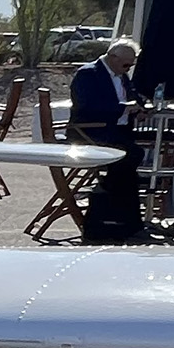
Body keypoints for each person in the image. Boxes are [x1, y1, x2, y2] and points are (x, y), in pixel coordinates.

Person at [67, 36, 147, 244]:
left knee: (131, 163)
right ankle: (119, 216)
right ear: (112, 57)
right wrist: (122, 108)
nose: (128, 68)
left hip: (116, 131)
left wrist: (139, 107)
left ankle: (123, 220)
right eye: (126, 64)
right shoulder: (88, 74)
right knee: (129, 159)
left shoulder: (121, 74)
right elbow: (86, 107)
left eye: (131, 65)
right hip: (90, 132)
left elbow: (133, 95)